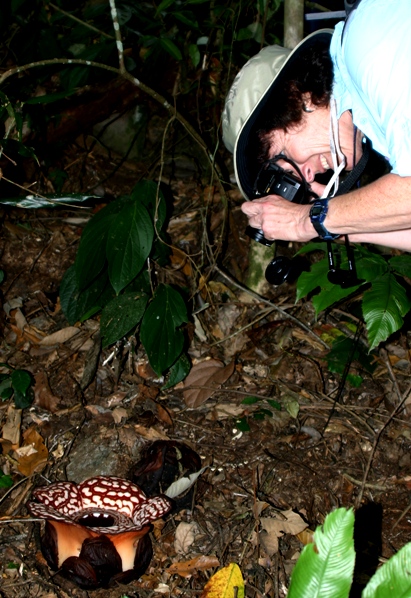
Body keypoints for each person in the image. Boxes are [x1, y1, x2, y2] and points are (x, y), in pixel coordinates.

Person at [222, 0, 411, 251]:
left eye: (287, 158)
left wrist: (307, 220)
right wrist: (344, 225)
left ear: (299, 96)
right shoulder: (371, 117)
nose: (308, 175)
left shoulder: (370, 45)